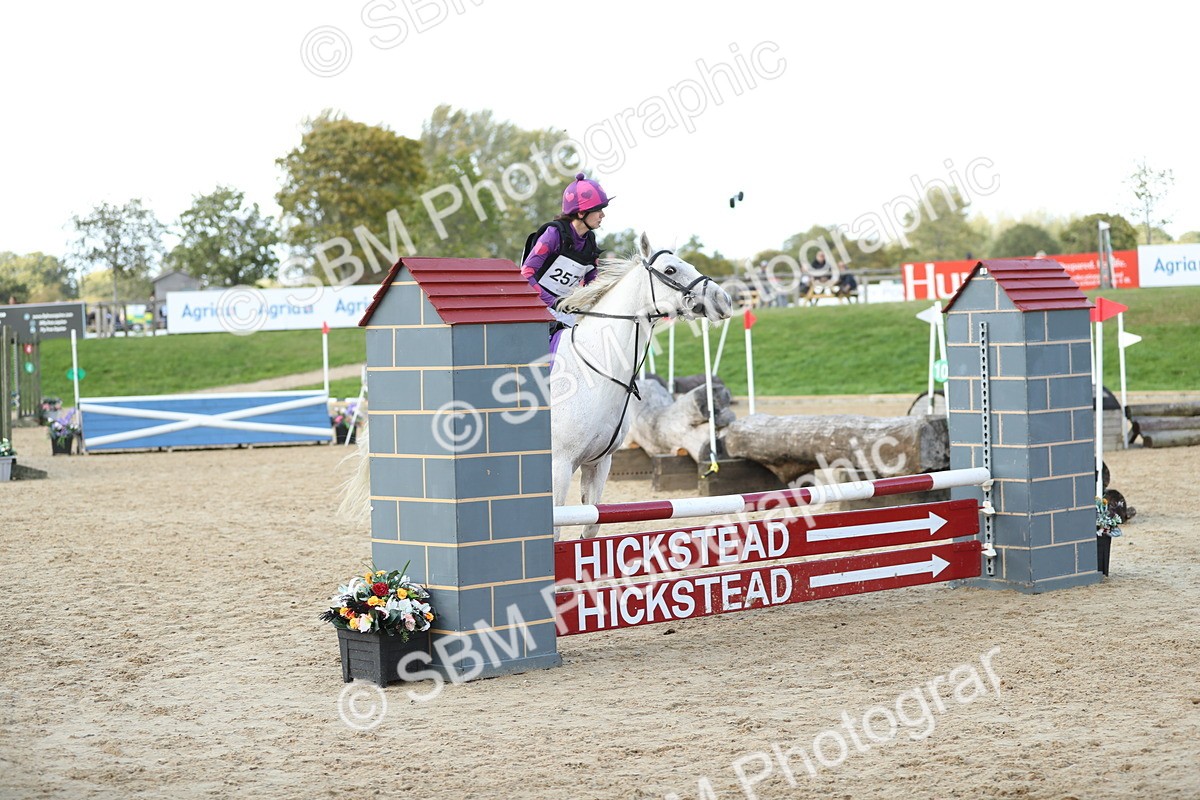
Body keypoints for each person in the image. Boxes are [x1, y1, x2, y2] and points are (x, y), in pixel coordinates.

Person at [520, 172, 612, 354]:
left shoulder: (590, 241)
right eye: (598, 210)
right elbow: (526, 274)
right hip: (536, 306)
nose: (603, 215)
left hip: (566, 309)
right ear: (581, 213)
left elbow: (592, 281)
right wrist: (554, 302)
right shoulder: (553, 235)